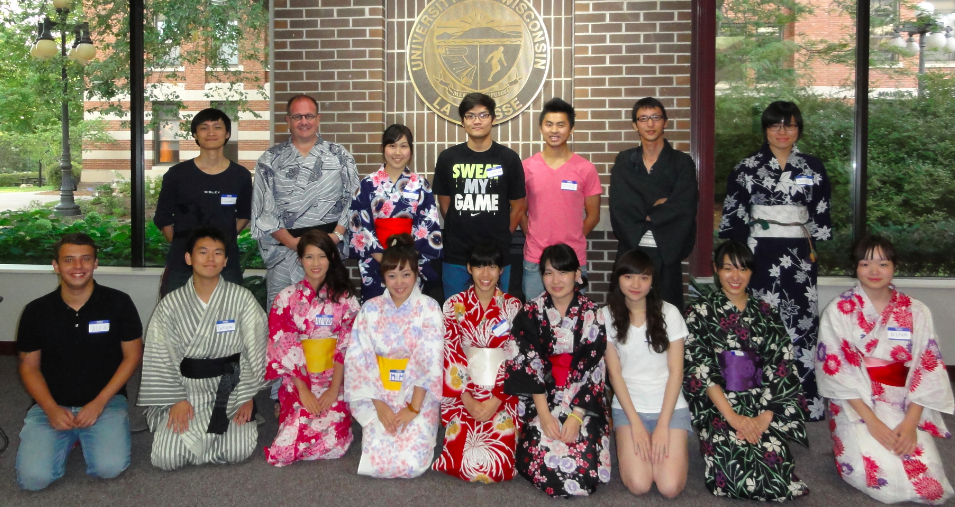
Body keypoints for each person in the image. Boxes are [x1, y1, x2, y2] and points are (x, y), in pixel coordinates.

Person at [817, 235, 953, 504]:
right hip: (857, 404)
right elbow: (837, 372)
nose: (874, 271)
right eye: (865, 263)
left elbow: (927, 367)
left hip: (903, 403)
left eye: (883, 263)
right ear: (855, 267)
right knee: (885, 481)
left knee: (931, 487)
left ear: (894, 266)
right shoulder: (839, 310)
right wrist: (874, 424)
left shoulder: (916, 310)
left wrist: (911, 424)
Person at [718, 101, 832, 421]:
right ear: (765, 129)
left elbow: (820, 213)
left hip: (799, 253)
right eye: (775, 125)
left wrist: (817, 243)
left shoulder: (812, 167)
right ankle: (752, 399)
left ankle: (803, 401)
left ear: (799, 129)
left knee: (802, 325)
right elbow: (734, 215)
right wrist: (737, 259)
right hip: (758, 253)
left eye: (790, 125)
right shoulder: (746, 167)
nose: (783, 132)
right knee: (756, 323)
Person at [14, 233, 143, 491]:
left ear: (95, 263)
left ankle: (91, 431)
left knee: (109, 468)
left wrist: (98, 403)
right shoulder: (36, 311)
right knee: (33, 480)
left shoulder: (119, 303)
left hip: (105, 401)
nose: (78, 267)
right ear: (56, 266)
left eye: (85, 259)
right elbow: (29, 366)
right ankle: (73, 436)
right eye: (69, 260)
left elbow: (132, 356)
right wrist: (50, 408)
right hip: (52, 403)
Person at [682, 240, 809, 501]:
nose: (735, 277)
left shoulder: (767, 312)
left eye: (743, 269)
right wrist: (733, 417)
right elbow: (698, 367)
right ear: (716, 269)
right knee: (733, 477)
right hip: (720, 404)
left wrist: (763, 418)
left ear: (752, 271)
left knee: (777, 476)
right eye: (728, 268)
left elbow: (782, 363)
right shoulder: (700, 312)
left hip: (762, 401)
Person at [138, 226, 268, 470]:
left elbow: (257, 349)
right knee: (166, 459)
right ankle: (198, 435)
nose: (211, 259)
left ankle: (208, 439)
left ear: (226, 260)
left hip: (231, 388)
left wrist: (247, 395)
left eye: (218, 253)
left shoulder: (242, 299)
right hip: (186, 389)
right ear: (189, 258)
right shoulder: (172, 304)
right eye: (203, 252)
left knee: (238, 451)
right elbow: (160, 354)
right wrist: (175, 399)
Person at [504, 243, 611, 497]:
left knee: (584, 467)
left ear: (577, 274)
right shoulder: (531, 311)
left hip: (581, 400)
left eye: (563, 272)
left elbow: (593, 367)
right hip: (542, 396)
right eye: (549, 272)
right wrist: (543, 413)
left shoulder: (591, 313)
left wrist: (575, 417)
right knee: (542, 451)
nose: (555, 279)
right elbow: (525, 362)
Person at [343, 234, 444, 478]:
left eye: (406, 274)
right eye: (392, 275)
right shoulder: (371, 309)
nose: (399, 282)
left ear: (416, 274)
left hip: (417, 394)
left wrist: (412, 408)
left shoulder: (429, 308)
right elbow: (359, 360)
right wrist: (379, 406)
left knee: (412, 464)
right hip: (379, 392)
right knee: (378, 463)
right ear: (383, 276)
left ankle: (421, 423)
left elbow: (429, 360)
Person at [252, 94, 361, 305]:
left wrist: (337, 236)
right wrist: (292, 243)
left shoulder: (339, 155)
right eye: (297, 116)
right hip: (284, 250)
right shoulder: (269, 159)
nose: (304, 122)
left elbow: (353, 199)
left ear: (318, 119)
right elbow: (263, 208)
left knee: (330, 313)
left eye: (309, 116)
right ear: (288, 120)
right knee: (284, 316)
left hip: (328, 249)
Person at [264, 230, 361, 466]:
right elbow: (284, 346)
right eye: (309, 257)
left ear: (331, 258)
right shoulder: (286, 298)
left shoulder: (345, 298)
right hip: (299, 380)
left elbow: (347, 345)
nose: (316, 263)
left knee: (336, 446)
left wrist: (332, 389)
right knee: (284, 450)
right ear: (299, 259)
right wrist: (304, 390)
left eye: (321, 256)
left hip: (335, 380)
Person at [602, 250, 690, 498]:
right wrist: (636, 425)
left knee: (669, 487)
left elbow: (676, 372)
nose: (636, 284)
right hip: (630, 408)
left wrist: (662, 425)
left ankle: (664, 444)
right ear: (618, 279)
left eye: (644, 277)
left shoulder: (670, 313)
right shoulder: (606, 316)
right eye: (629, 277)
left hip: (669, 407)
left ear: (653, 282)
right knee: (640, 484)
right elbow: (615, 375)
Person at [432, 241, 523, 483]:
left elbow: (516, 355)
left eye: (492, 267)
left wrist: (496, 399)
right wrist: (466, 398)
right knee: (461, 462)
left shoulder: (513, 307)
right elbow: (450, 351)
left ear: (501, 270)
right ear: (469, 268)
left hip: (502, 392)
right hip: (464, 391)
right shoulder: (453, 306)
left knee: (496, 468)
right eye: (479, 267)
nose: (486, 274)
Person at [432, 92, 527, 297]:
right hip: (457, 254)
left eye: (483, 115)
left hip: (496, 255)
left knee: (497, 318)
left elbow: (519, 206)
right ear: (462, 122)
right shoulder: (448, 158)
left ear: (493, 119)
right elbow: (445, 203)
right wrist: (460, 226)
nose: (477, 121)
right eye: (470, 115)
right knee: (456, 316)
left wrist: (502, 233)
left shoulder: (508, 158)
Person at [609, 97, 697, 309]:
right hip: (633, 249)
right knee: (626, 316)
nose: (650, 124)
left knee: (666, 316)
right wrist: (660, 205)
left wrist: (647, 210)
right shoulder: (624, 160)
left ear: (665, 122)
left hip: (667, 250)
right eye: (643, 118)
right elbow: (621, 205)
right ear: (635, 125)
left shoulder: (681, 162)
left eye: (656, 117)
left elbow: (685, 205)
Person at [153, 107, 252, 297]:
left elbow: (244, 215)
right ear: (195, 135)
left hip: (226, 261)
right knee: (176, 317)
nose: (211, 133)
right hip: (182, 263)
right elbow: (163, 219)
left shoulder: (240, 175)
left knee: (229, 316)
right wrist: (189, 248)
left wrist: (221, 242)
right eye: (204, 128)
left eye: (217, 127)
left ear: (228, 133)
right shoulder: (177, 175)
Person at [349, 124, 442, 302]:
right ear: (383, 149)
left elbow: (427, 223)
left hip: (409, 260)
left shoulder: (420, 184)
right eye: (392, 145)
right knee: (375, 310)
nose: (397, 152)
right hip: (376, 260)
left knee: (410, 310)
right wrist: (382, 257)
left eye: (403, 146)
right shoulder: (367, 184)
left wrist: (405, 260)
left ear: (411, 150)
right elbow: (360, 224)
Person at [520, 98, 601, 300]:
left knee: (573, 321)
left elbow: (593, 216)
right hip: (536, 259)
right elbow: (520, 210)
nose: (554, 130)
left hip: (572, 260)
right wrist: (532, 233)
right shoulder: (527, 167)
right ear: (541, 128)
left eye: (561, 124)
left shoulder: (585, 168)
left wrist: (571, 235)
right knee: (534, 319)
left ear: (571, 129)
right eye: (549, 124)